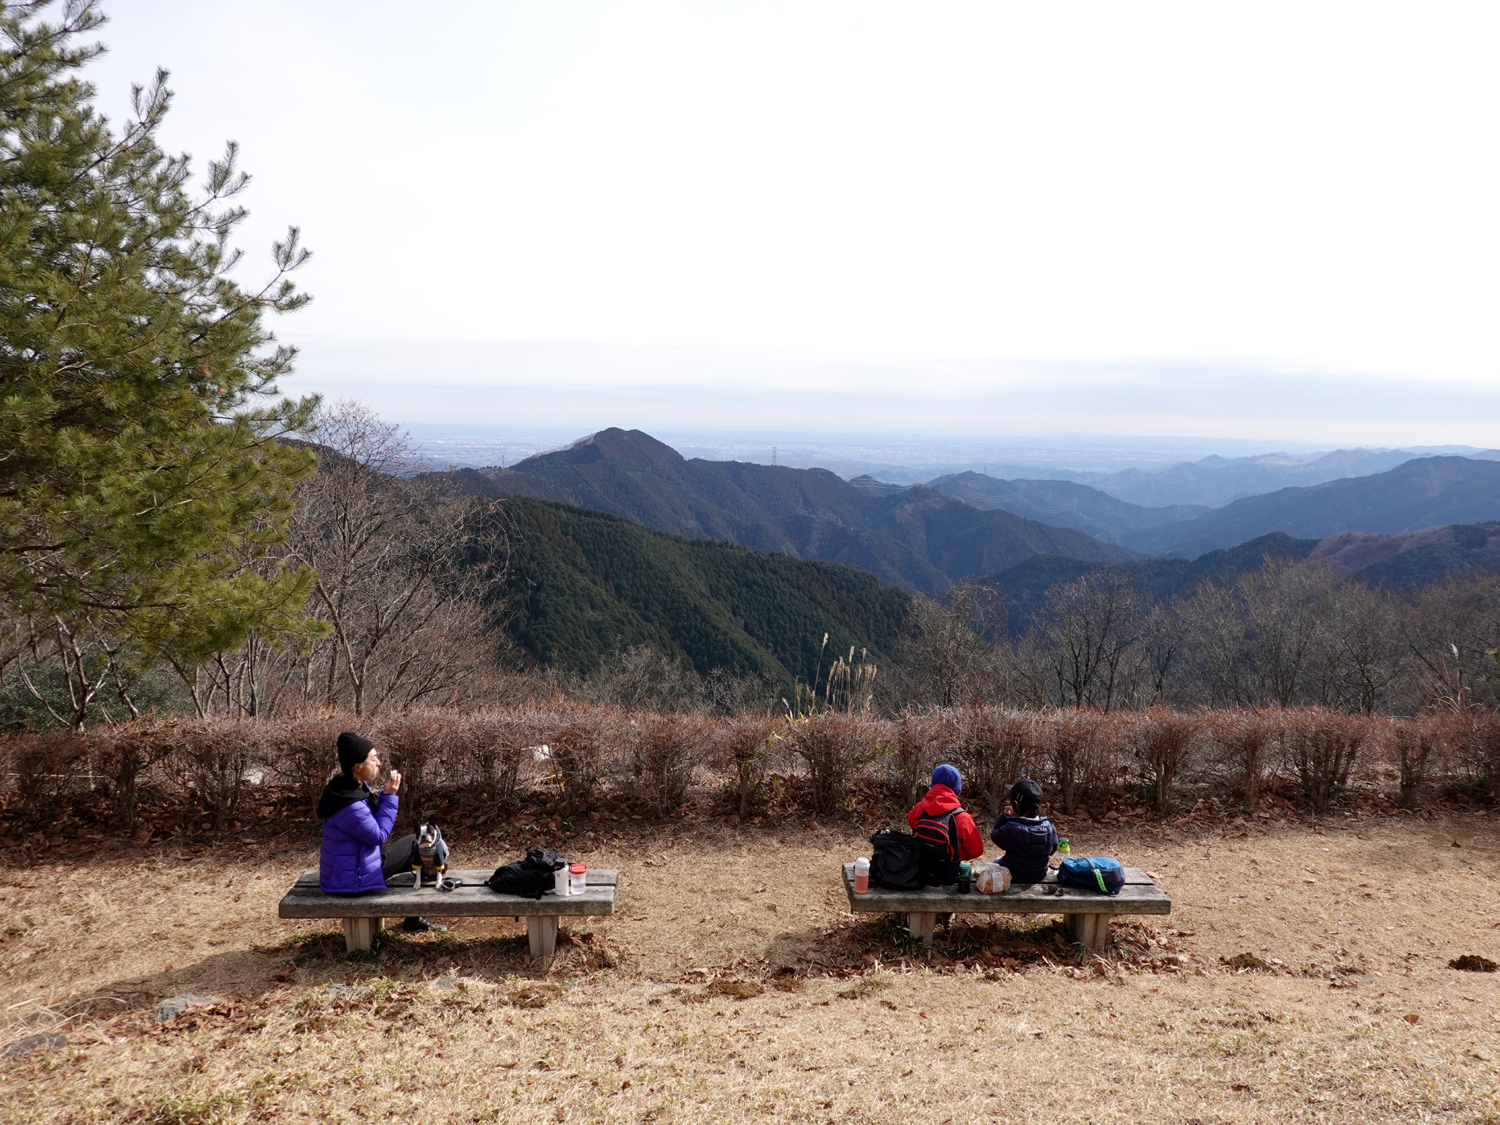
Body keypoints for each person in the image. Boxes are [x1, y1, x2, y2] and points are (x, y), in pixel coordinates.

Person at [316, 732, 445, 933]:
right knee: (425, 846)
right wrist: (390, 796)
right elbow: (378, 835)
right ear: (358, 767)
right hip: (354, 877)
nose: (379, 763)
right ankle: (417, 915)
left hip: (349, 868)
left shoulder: (346, 787)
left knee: (420, 848)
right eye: (373, 758)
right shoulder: (349, 806)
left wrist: (384, 795)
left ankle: (416, 913)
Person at [907, 763, 985, 885]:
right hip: (951, 875)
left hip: (921, 870)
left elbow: (911, 822)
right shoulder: (963, 817)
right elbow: (976, 851)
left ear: (932, 785)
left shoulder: (919, 808)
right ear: (957, 788)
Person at [989, 777, 1057, 885]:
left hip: (1015, 875)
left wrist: (1004, 816)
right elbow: (1053, 849)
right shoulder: (1049, 827)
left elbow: (995, 835)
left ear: (1016, 804)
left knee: (996, 861)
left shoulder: (1011, 829)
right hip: (1039, 875)